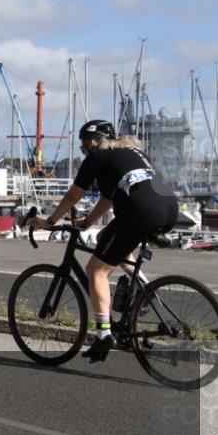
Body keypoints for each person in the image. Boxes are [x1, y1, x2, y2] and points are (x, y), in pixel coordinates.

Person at [28, 119, 178, 362]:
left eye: (83, 145)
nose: (83, 150)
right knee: (103, 238)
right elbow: (109, 199)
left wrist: (50, 221)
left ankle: (104, 334)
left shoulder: (96, 158)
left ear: (92, 142)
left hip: (139, 212)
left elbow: (73, 195)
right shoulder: (130, 152)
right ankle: (143, 287)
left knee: (96, 270)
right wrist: (88, 222)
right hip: (168, 208)